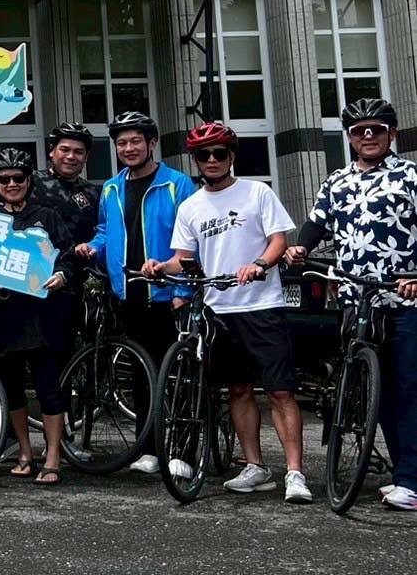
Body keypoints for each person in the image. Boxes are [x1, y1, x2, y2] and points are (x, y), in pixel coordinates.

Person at [143, 122, 307, 501]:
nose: (212, 160)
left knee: (280, 391)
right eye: (204, 154)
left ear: (231, 156)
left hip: (262, 305)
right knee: (238, 389)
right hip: (219, 309)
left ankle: (295, 473)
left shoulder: (257, 192)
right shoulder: (191, 206)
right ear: (196, 161)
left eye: (219, 153)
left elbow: (278, 240)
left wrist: (260, 264)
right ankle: (255, 467)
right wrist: (160, 266)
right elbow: (184, 258)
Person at [286, 98, 417, 510]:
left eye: (376, 129)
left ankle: (412, 481)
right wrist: (301, 248)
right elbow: (316, 223)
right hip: (355, 300)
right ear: (349, 138)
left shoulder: (410, 175)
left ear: (392, 133)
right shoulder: (337, 180)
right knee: (376, 393)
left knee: (408, 389)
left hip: (402, 298)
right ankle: (404, 473)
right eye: (359, 131)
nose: (368, 136)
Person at [74, 109, 196, 474]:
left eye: (136, 141)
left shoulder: (177, 184)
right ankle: (150, 449)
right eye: (122, 143)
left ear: (152, 143)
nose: (128, 148)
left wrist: (182, 288)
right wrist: (92, 247)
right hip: (129, 292)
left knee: (180, 375)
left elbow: (191, 241)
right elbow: (104, 230)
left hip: (170, 293)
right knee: (143, 374)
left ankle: (184, 453)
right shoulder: (112, 187)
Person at [0, 148, 75, 488]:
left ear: (29, 180)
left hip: (43, 315)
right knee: (12, 389)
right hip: (4, 316)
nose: (12, 184)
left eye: (18, 178)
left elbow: (67, 256)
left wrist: (62, 275)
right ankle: (24, 451)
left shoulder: (47, 216)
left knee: (49, 388)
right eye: (4, 179)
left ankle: (53, 455)